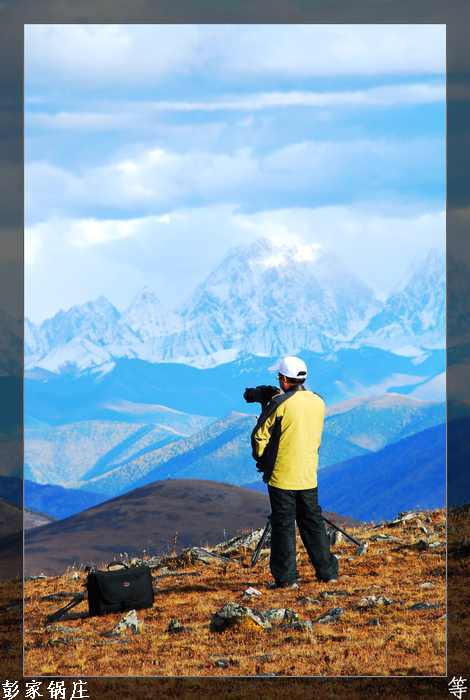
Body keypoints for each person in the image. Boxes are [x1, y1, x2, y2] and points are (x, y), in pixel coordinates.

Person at [251, 355, 338, 589]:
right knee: (313, 522)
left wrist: (262, 458)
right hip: (308, 474)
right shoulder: (319, 402)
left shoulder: (280, 404)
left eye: (279, 377)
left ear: (284, 379)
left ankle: (287, 579)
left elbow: (259, 437)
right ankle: (328, 572)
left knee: (283, 526)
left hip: (282, 476)